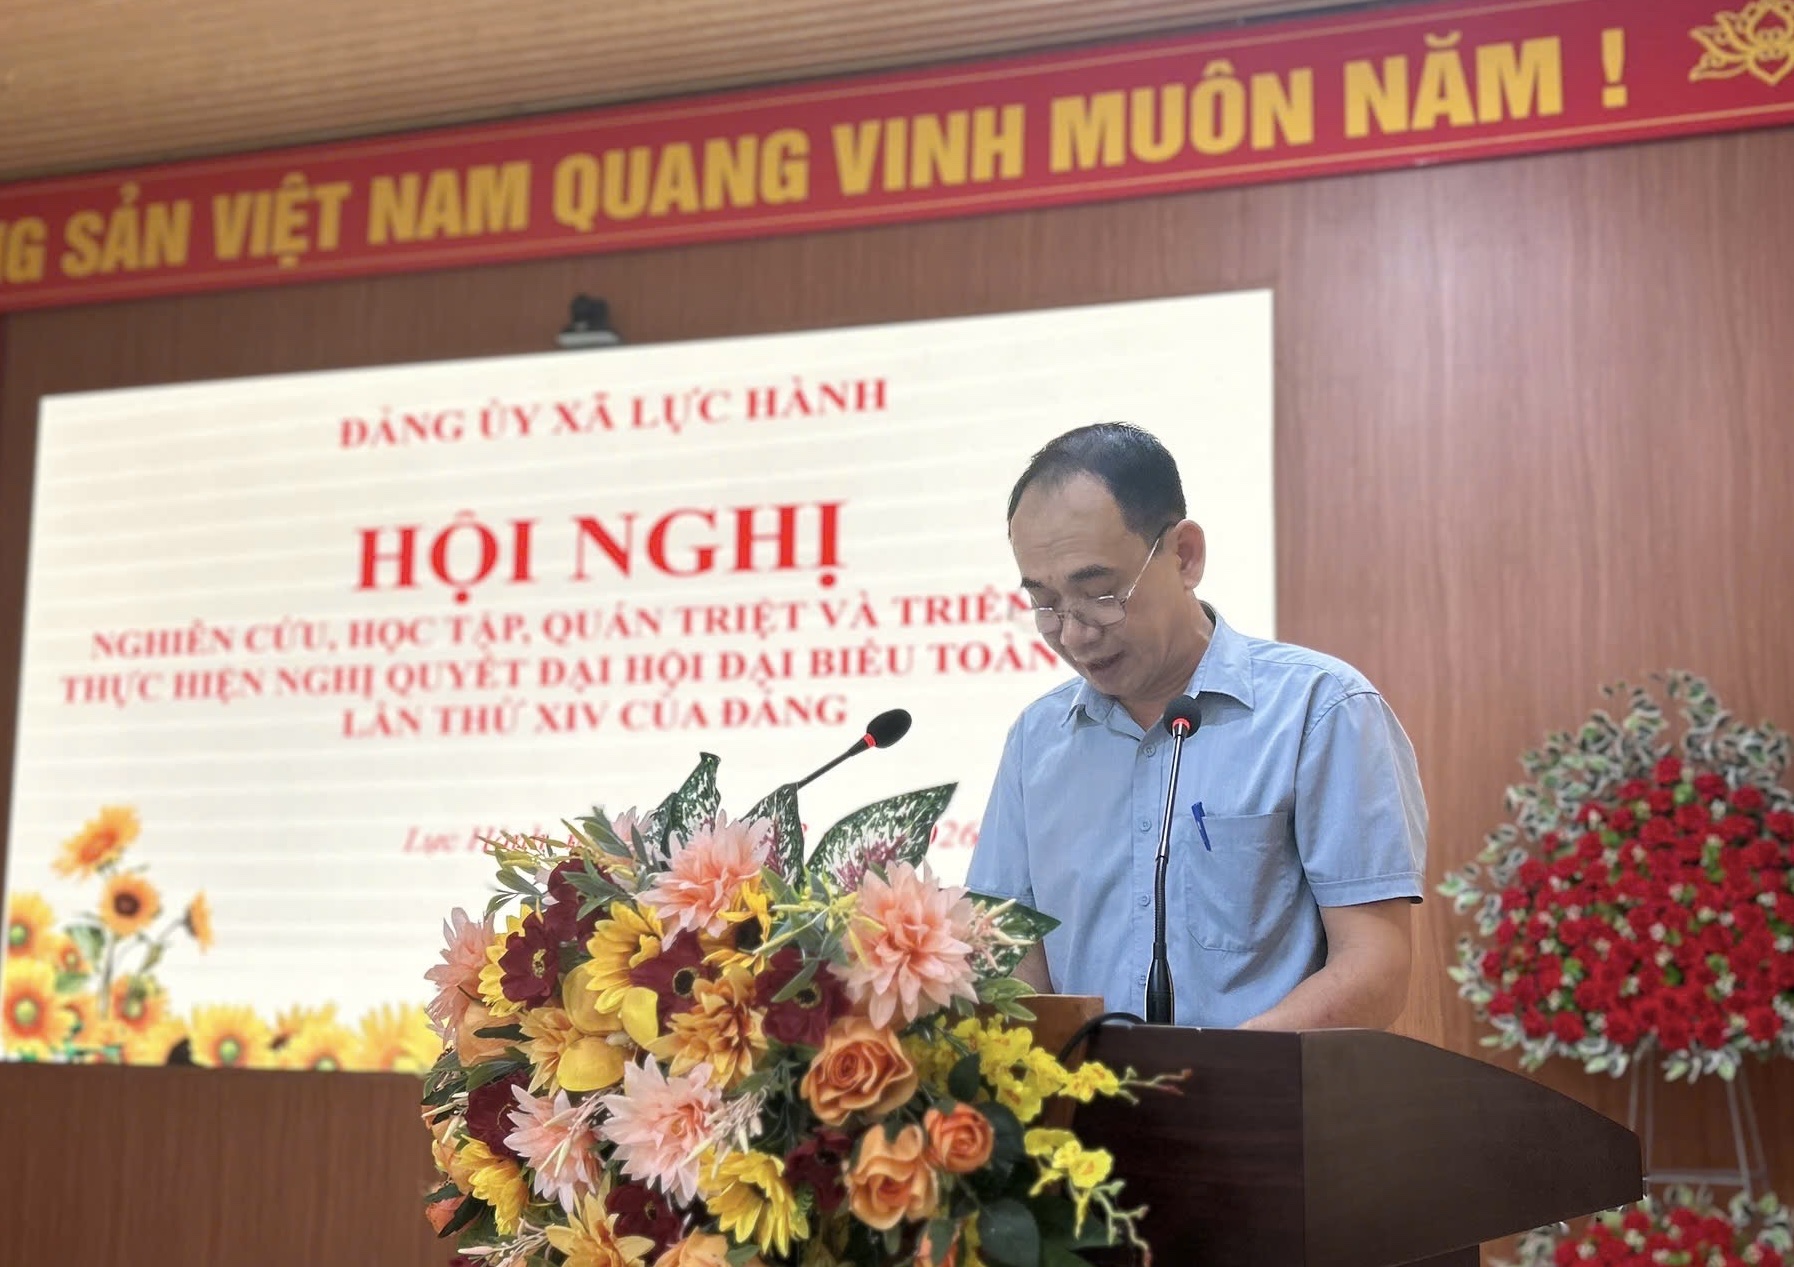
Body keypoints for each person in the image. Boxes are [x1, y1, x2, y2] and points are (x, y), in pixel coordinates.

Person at [966, 423, 1427, 1030]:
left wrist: (1219, 1073)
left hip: (1264, 1089)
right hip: (1080, 1094)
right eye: (1045, 604)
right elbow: (1010, 956)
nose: (1074, 634)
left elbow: (1374, 966)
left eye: (1099, 594)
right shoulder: (1037, 740)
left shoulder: (1320, 710)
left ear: (1184, 555)